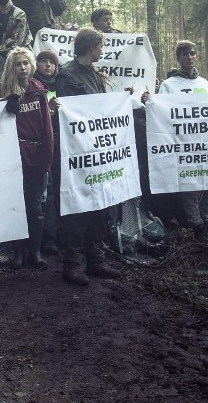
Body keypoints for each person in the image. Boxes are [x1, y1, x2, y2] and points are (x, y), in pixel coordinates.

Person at [53, 27, 123, 286]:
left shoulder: (93, 74)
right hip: (77, 152)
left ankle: (96, 260)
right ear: (89, 46)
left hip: (97, 151)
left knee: (99, 204)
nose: (102, 51)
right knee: (77, 209)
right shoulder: (67, 75)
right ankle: (72, 264)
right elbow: (70, 114)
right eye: (99, 45)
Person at [142, 40, 208, 243]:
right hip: (183, 144)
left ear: (197, 56)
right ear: (178, 58)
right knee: (191, 187)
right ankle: (197, 228)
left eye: (192, 53)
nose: (189, 57)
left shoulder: (204, 84)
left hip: (206, 143)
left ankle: (205, 222)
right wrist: (149, 103)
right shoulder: (169, 85)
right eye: (185, 54)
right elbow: (161, 114)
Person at [0, 47, 54, 269]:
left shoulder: (39, 92)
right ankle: (17, 252)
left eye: (26, 63)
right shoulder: (2, 92)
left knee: (35, 205)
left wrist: (46, 159)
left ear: (31, 65)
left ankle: (34, 252)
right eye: (18, 64)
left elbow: (47, 128)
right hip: (11, 157)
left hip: (36, 156)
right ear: (11, 66)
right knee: (14, 205)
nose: (22, 67)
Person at [34, 50, 61, 255]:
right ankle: (42, 239)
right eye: (43, 62)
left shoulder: (63, 86)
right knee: (44, 191)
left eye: (51, 63)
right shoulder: (32, 87)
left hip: (62, 145)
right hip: (40, 147)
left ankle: (55, 236)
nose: (48, 66)